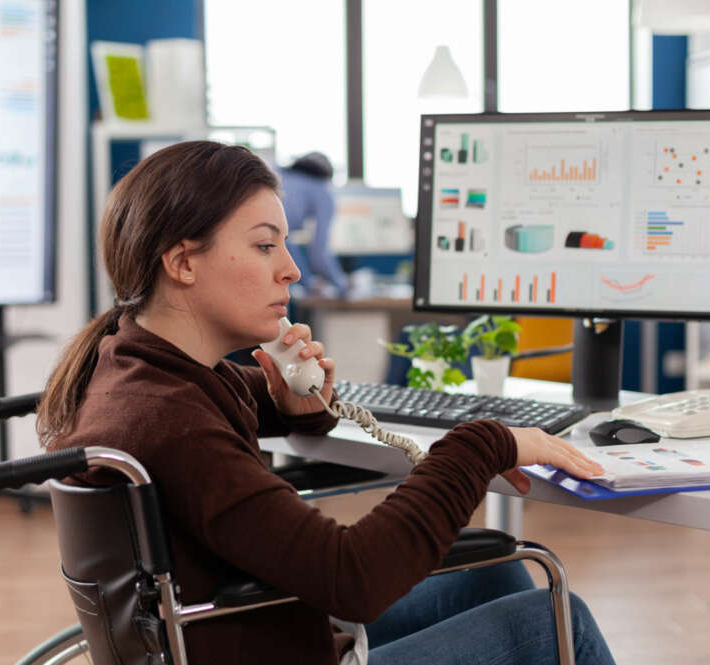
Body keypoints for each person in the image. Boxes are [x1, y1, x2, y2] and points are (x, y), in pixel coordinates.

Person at [38, 141, 616, 665]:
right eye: (265, 245)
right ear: (184, 262)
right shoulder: (172, 420)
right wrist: (487, 441)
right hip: (276, 641)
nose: (290, 268)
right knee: (559, 620)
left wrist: (297, 404)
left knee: (497, 579)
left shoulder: (141, 371)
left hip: (255, 631)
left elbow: (242, 409)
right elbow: (353, 575)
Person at [279, 151, 350, 297]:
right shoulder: (323, 190)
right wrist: (342, 284)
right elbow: (319, 253)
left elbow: (284, 242)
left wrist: (308, 282)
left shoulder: (277, 175)